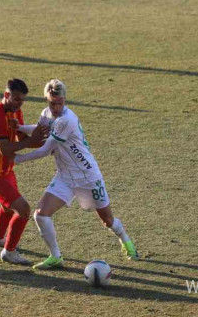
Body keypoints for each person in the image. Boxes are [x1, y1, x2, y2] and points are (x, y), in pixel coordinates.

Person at [14, 79, 138, 270]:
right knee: (41, 215)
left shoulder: (67, 120)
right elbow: (41, 130)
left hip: (88, 177)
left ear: (64, 100)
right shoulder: (47, 114)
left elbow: (45, 150)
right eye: (51, 103)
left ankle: (126, 241)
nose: (55, 107)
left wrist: (17, 159)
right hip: (65, 176)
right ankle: (55, 257)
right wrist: (21, 128)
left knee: (107, 221)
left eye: (59, 103)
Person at [0, 79, 49, 265]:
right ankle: (9, 252)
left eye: (22, 100)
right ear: (6, 95)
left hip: (7, 171)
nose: (20, 103)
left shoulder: (15, 111)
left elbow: (24, 139)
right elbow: (6, 150)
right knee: (23, 210)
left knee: (9, 207)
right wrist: (31, 140)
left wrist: (48, 138)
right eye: (17, 99)